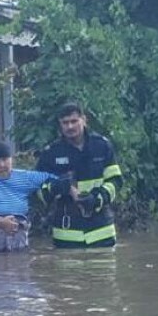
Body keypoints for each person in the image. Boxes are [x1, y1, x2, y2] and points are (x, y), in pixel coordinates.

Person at [37, 102, 123, 248]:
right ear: (60, 125)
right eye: (65, 123)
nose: (70, 127)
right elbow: (39, 191)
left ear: (84, 120)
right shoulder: (51, 153)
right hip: (67, 235)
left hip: (102, 232)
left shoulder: (102, 146)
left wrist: (97, 198)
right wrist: (55, 187)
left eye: (74, 121)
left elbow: (115, 181)